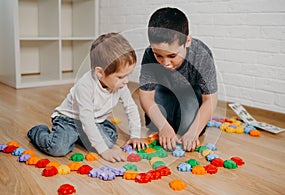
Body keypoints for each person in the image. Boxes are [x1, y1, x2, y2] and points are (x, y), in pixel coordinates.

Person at [28, 32, 147, 162]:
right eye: (121, 76)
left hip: (95, 120)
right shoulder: (85, 86)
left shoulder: (121, 86)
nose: (126, 81)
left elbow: (131, 108)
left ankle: (80, 136)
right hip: (69, 120)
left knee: (110, 139)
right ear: (100, 73)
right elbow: (87, 119)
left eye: (128, 75)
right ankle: (38, 131)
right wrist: (104, 151)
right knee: (58, 148)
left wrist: (135, 135)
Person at [139, 7, 218, 152]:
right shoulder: (149, 54)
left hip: (190, 92)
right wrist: (164, 127)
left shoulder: (201, 55)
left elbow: (210, 99)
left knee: (188, 128)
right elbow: (146, 96)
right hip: (164, 90)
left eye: (172, 56)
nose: (165, 63)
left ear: (187, 41)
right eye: (159, 55)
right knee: (155, 127)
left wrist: (193, 132)